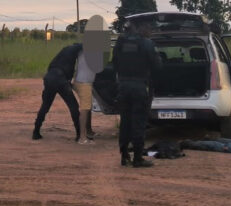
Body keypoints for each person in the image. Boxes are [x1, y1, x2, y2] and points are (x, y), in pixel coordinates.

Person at [113, 20, 161, 167]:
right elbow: (157, 66)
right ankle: (138, 158)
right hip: (139, 87)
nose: (150, 30)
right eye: (149, 27)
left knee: (125, 121)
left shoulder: (120, 43)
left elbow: (114, 63)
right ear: (141, 28)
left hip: (123, 86)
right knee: (139, 122)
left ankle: (124, 155)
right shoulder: (147, 44)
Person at [32, 42, 82, 141]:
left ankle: (36, 131)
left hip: (49, 77)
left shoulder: (64, 52)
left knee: (45, 106)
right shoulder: (76, 49)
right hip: (60, 79)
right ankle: (79, 134)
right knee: (73, 106)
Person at [73, 15, 109, 144]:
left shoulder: (84, 46)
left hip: (80, 80)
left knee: (86, 108)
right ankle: (82, 137)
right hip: (84, 82)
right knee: (84, 108)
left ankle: (87, 132)